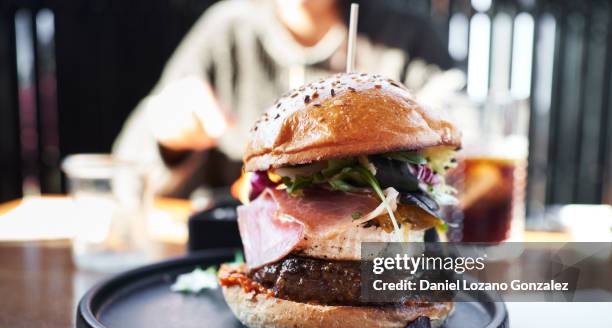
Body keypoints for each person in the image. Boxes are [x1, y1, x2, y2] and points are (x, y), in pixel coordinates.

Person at [113, 0, 463, 198]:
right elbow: (124, 171)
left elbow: (466, 141)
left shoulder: (408, 38)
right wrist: (171, 142)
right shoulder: (226, 31)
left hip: (386, 266)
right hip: (226, 251)